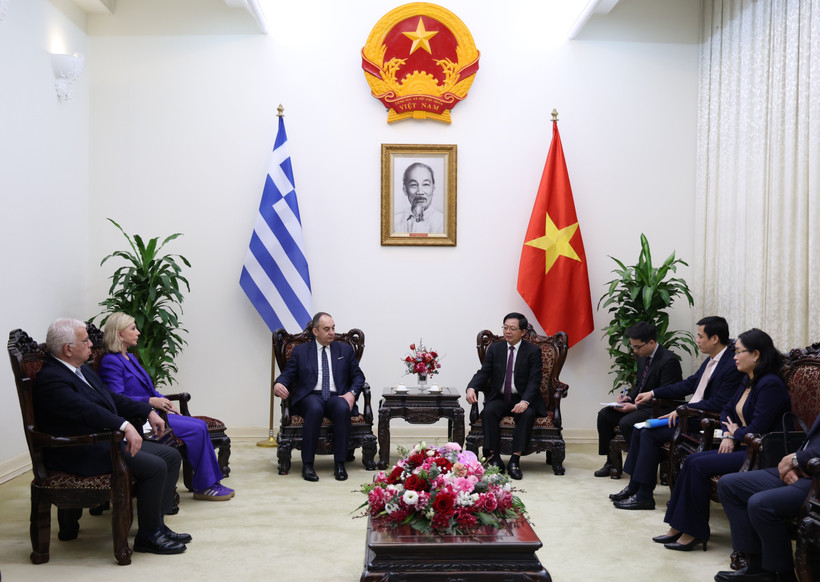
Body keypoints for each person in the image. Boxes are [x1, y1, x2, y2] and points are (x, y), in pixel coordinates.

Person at [33, 318, 190, 555]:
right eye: (85, 341)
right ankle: (148, 537)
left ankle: (155, 526)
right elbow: (85, 410)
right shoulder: (52, 378)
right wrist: (125, 425)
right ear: (68, 349)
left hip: (104, 442)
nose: (91, 345)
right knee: (156, 466)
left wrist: (147, 410)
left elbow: (112, 398)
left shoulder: (81, 369)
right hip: (80, 451)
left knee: (170, 456)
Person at [652, 328, 791, 552]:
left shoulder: (770, 385)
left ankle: (692, 532)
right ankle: (678, 527)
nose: (734, 357)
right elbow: (726, 409)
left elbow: (757, 430)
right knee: (692, 461)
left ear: (755, 354)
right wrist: (729, 433)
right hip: (741, 445)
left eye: (738, 352)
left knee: (697, 464)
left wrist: (734, 433)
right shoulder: (749, 379)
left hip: (760, 452)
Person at [98, 312, 234, 502]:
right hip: (140, 419)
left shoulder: (130, 357)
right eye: (133, 329)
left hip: (155, 413)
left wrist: (165, 401)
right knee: (198, 428)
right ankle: (205, 486)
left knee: (197, 426)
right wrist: (149, 402)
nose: (138, 332)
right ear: (119, 335)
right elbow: (117, 399)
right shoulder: (111, 361)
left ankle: (209, 483)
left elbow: (150, 389)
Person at [611, 316, 745, 509]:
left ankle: (644, 495)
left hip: (703, 420)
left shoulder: (730, 365)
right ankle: (635, 486)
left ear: (714, 338)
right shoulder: (712, 360)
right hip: (691, 414)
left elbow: (720, 402)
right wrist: (653, 392)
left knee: (648, 433)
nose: (697, 340)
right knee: (642, 429)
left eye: (700, 336)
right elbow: (689, 384)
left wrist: (685, 410)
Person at [713, 415, 820, 582]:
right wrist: (794, 463)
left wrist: (795, 460)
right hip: (805, 468)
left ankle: (781, 574)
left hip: (816, 479)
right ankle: (756, 566)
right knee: (729, 484)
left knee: (761, 504)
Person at [273, 312, 365, 482]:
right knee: (315, 409)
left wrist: (351, 394)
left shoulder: (344, 349)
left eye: (333, 328)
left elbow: (358, 376)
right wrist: (278, 384)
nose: (332, 332)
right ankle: (307, 465)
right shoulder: (301, 351)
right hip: (310, 395)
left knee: (343, 407)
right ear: (315, 331)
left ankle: (339, 464)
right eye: (327, 329)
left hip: (335, 396)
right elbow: (288, 374)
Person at [594, 321, 683, 477]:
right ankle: (610, 461)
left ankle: (639, 468)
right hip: (642, 404)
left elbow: (669, 394)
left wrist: (635, 408)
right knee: (604, 415)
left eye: (637, 347)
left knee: (626, 422)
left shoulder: (669, 361)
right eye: (633, 347)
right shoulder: (643, 356)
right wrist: (628, 397)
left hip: (660, 408)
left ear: (651, 342)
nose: (634, 351)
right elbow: (640, 385)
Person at [465, 312, 543, 480]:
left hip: (521, 398)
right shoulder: (495, 348)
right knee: (488, 412)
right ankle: (495, 459)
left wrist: (525, 401)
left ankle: (515, 460)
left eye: (512, 328)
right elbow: (484, 372)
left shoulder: (533, 351)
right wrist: (471, 387)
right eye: (505, 327)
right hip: (500, 397)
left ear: (522, 332)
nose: (508, 331)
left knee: (527, 414)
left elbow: (535, 380)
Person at [393, 162, 444, 234]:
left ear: (433, 188)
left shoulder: (443, 223)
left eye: (426, 184)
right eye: (413, 185)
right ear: (405, 190)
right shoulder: (394, 223)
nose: (420, 192)